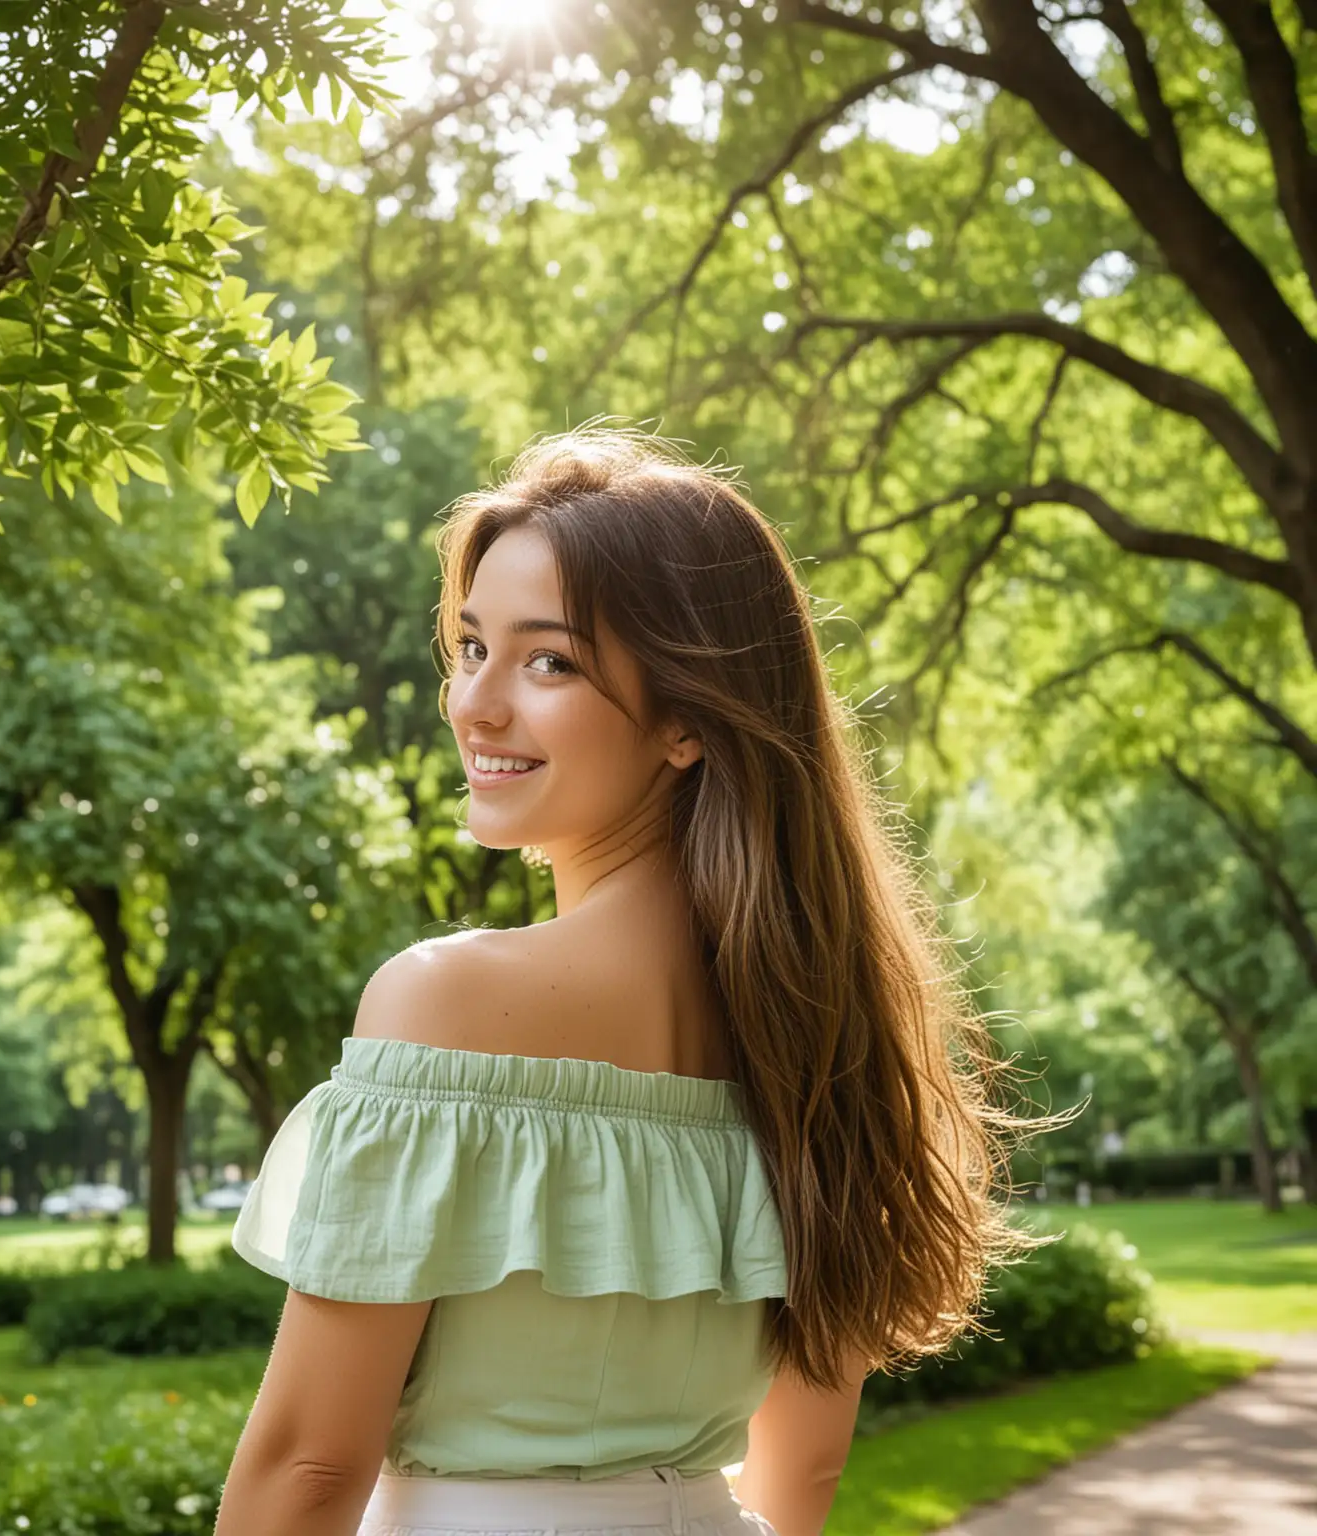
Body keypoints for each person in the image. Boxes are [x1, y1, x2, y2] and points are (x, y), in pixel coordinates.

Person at [215, 428, 1031, 1536]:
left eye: (548, 661)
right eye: (470, 648)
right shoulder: (823, 1033)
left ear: (688, 717)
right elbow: (807, 1472)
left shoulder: (441, 1004)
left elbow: (307, 1470)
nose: (476, 705)